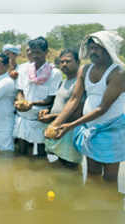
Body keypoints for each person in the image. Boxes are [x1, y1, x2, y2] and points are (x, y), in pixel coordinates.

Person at [48, 31, 125, 182]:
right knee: (92, 174)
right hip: (90, 129)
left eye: (97, 48)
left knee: (109, 179)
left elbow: (102, 108)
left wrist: (70, 125)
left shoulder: (118, 72)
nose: (93, 52)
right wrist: (55, 124)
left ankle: (110, 205)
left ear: (109, 49)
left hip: (111, 130)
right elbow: (74, 99)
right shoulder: (85, 69)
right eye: (91, 48)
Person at [13, 37, 62, 157]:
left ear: (46, 53)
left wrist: (31, 104)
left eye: (38, 52)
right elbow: (20, 90)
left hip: (40, 118)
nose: (35, 56)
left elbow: (50, 99)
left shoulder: (54, 73)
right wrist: (21, 102)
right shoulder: (24, 69)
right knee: (21, 150)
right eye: (32, 52)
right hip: (23, 116)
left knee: (41, 152)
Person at [38, 49, 83, 167]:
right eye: (61, 62)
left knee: (69, 167)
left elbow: (79, 113)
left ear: (78, 62)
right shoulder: (64, 81)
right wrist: (47, 111)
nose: (64, 64)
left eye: (68, 61)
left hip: (69, 131)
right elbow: (58, 103)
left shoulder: (80, 84)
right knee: (57, 167)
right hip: (57, 130)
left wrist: (52, 117)